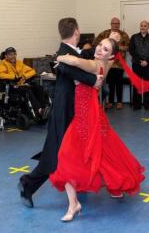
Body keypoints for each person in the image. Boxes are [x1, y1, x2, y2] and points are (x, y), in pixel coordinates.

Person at [49, 38, 146, 222]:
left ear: (110, 55)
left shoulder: (94, 65)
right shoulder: (105, 65)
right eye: (100, 45)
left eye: (106, 49)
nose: (100, 50)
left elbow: (76, 61)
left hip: (86, 121)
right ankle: (105, 191)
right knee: (103, 155)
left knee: (69, 158)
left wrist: (59, 57)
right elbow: (94, 63)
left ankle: (75, 204)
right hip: (91, 117)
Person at [19, 17, 102, 208]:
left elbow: (82, 59)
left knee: (67, 150)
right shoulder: (62, 54)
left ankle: (76, 183)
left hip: (74, 109)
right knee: (56, 153)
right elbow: (69, 69)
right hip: (64, 110)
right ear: (77, 31)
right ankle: (28, 183)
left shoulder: (70, 52)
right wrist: (93, 80)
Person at [0, 47, 49, 119]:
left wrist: (25, 76)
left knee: (38, 87)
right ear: (6, 56)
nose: (13, 56)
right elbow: (1, 74)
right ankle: (39, 110)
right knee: (27, 90)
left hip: (22, 84)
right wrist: (14, 77)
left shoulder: (19, 63)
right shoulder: (2, 64)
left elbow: (32, 71)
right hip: (12, 86)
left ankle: (44, 108)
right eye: (10, 54)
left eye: (14, 54)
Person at [93, 17, 130, 110]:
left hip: (119, 64)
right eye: (114, 23)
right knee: (110, 83)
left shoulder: (124, 35)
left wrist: (117, 47)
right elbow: (95, 43)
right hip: (107, 63)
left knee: (119, 83)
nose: (115, 25)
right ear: (111, 24)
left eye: (117, 24)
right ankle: (110, 101)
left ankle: (119, 102)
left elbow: (128, 48)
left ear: (119, 25)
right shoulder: (105, 33)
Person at [129, 21, 149, 110]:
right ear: (140, 27)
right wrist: (139, 61)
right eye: (141, 26)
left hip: (148, 65)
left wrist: (147, 61)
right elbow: (131, 50)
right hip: (136, 64)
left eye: (145, 26)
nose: (143, 27)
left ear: (148, 27)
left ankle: (147, 105)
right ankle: (136, 105)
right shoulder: (134, 37)